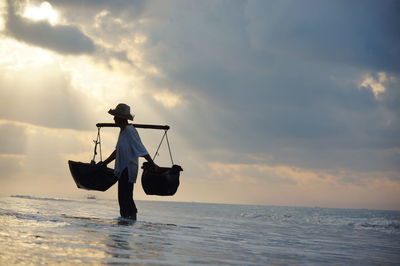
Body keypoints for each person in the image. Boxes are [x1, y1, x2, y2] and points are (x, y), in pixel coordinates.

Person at [99, 103, 157, 220]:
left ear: (121, 118)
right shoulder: (123, 131)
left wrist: (152, 163)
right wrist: (105, 162)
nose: (114, 118)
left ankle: (130, 221)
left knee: (126, 196)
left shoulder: (130, 131)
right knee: (123, 197)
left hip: (128, 168)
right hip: (122, 169)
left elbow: (140, 148)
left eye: (116, 116)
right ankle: (125, 226)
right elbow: (117, 152)